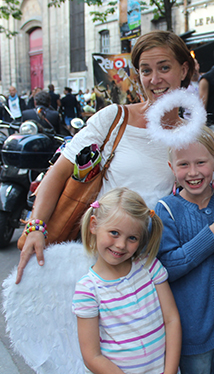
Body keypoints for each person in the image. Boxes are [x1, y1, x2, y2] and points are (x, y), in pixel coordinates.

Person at [16, 30, 195, 283]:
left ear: (184, 70)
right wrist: (36, 227)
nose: (155, 79)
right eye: (145, 71)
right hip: (102, 262)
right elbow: (57, 174)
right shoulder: (113, 118)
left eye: (164, 68)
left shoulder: (193, 135)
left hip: (157, 263)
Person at [155, 126, 214, 373]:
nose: (193, 173)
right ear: (172, 168)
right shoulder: (167, 210)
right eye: (183, 165)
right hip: (194, 331)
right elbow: (165, 268)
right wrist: (209, 237)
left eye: (201, 162)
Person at [72, 187, 181, 374]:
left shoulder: (149, 267)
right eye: (114, 232)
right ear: (94, 225)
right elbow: (92, 356)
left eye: (132, 238)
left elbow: (171, 320)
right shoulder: (88, 290)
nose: (121, 245)